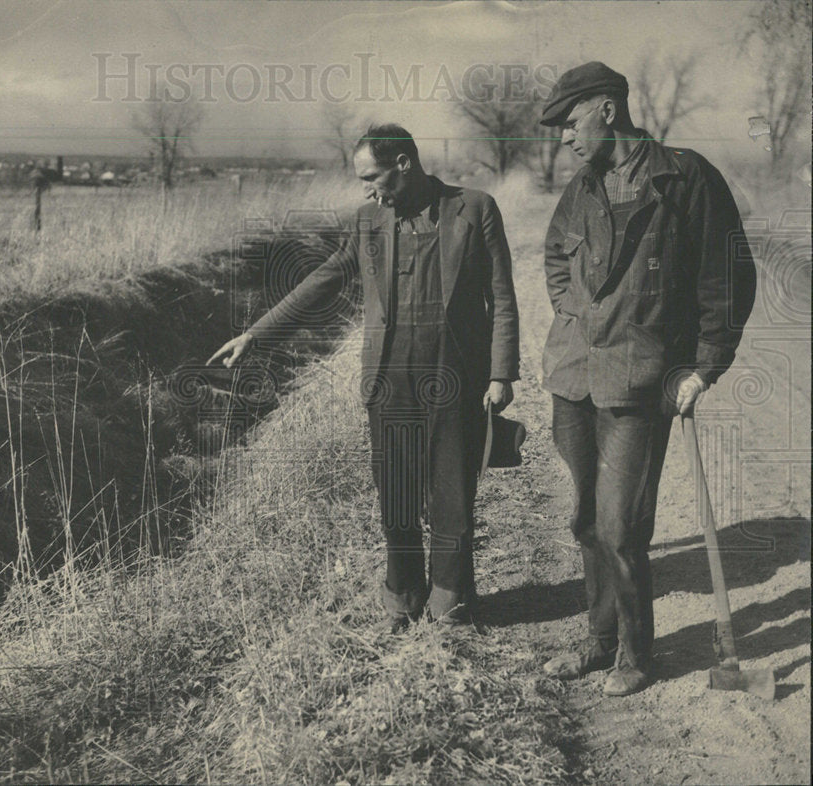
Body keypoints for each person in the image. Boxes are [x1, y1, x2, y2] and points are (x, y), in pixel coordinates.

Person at [209, 124, 520, 629]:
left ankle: (451, 594)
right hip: (389, 376)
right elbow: (323, 280)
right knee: (395, 491)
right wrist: (257, 335)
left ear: (404, 164)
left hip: (456, 372)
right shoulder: (367, 221)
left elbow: (502, 296)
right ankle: (403, 591)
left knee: (452, 490)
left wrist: (502, 373)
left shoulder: (475, 208)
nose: (367, 188)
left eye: (372, 176)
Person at [537, 63, 756, 695]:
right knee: (584, 521)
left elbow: (727, 279)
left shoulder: (685, 177)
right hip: (574, 374)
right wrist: (576, 314)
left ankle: (635, 654)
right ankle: (598, 641)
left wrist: (703, 365)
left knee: (621, 525)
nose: (564, 140)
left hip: (641, 380)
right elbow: (557, 257)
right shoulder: (582, 186)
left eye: (570, 124)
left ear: (607, 109)